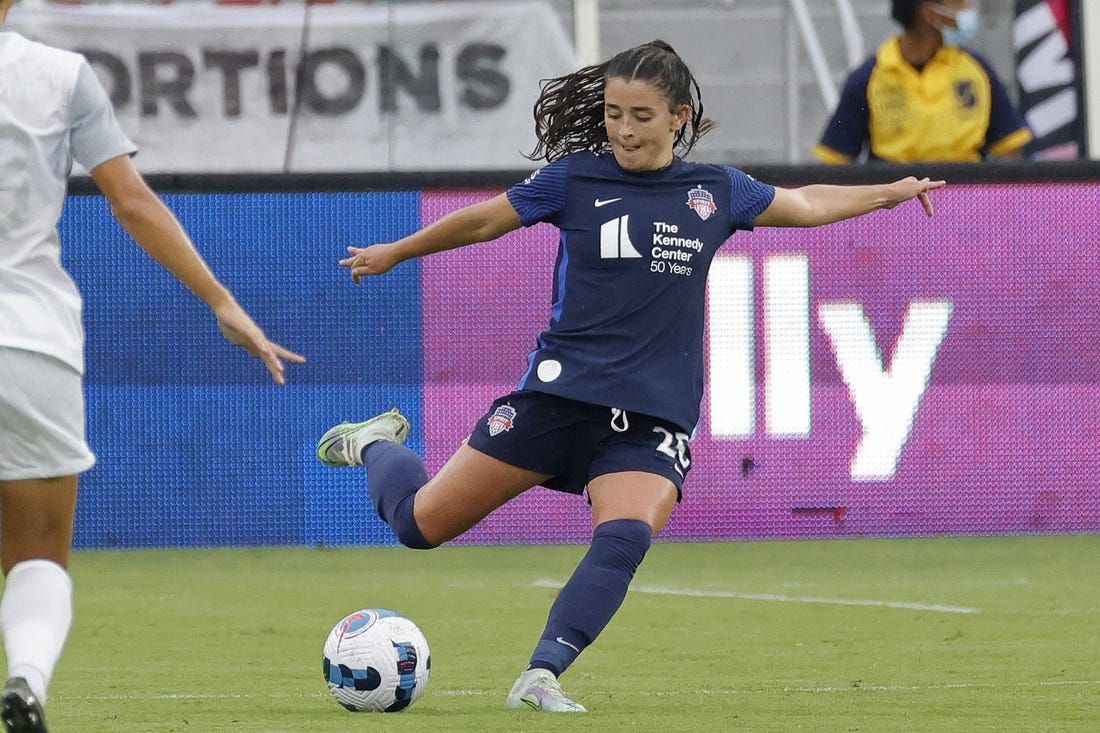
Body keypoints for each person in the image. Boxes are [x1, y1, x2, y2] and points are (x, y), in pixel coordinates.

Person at [317, 39, 944, 713]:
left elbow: (807, 203)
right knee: (420, 524)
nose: (623, 129)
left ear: (678, 117)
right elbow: (482, 221)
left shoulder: (717, 192)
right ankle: (375, 442)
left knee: (624, 536)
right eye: (615, 113)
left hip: (650, 419)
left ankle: (542, 674)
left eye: (641, 115)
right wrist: (397, 251)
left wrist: (888, 191)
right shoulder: (574, 179)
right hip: (556, 399)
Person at [0, 4, 305, 731]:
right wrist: (222, 301)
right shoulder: (58, 75)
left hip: (31, 335)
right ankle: (26, 680)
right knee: (39, 548)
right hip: (28, 338)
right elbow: (132, 203)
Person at [815, 0, 1032, 163]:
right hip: (894, 205)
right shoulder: (868, 77)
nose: (967, 10)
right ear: (930, 14)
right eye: (958, 3)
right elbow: (836, 162)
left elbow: (1011, 147)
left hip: (966, 202)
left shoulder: (977, 69)